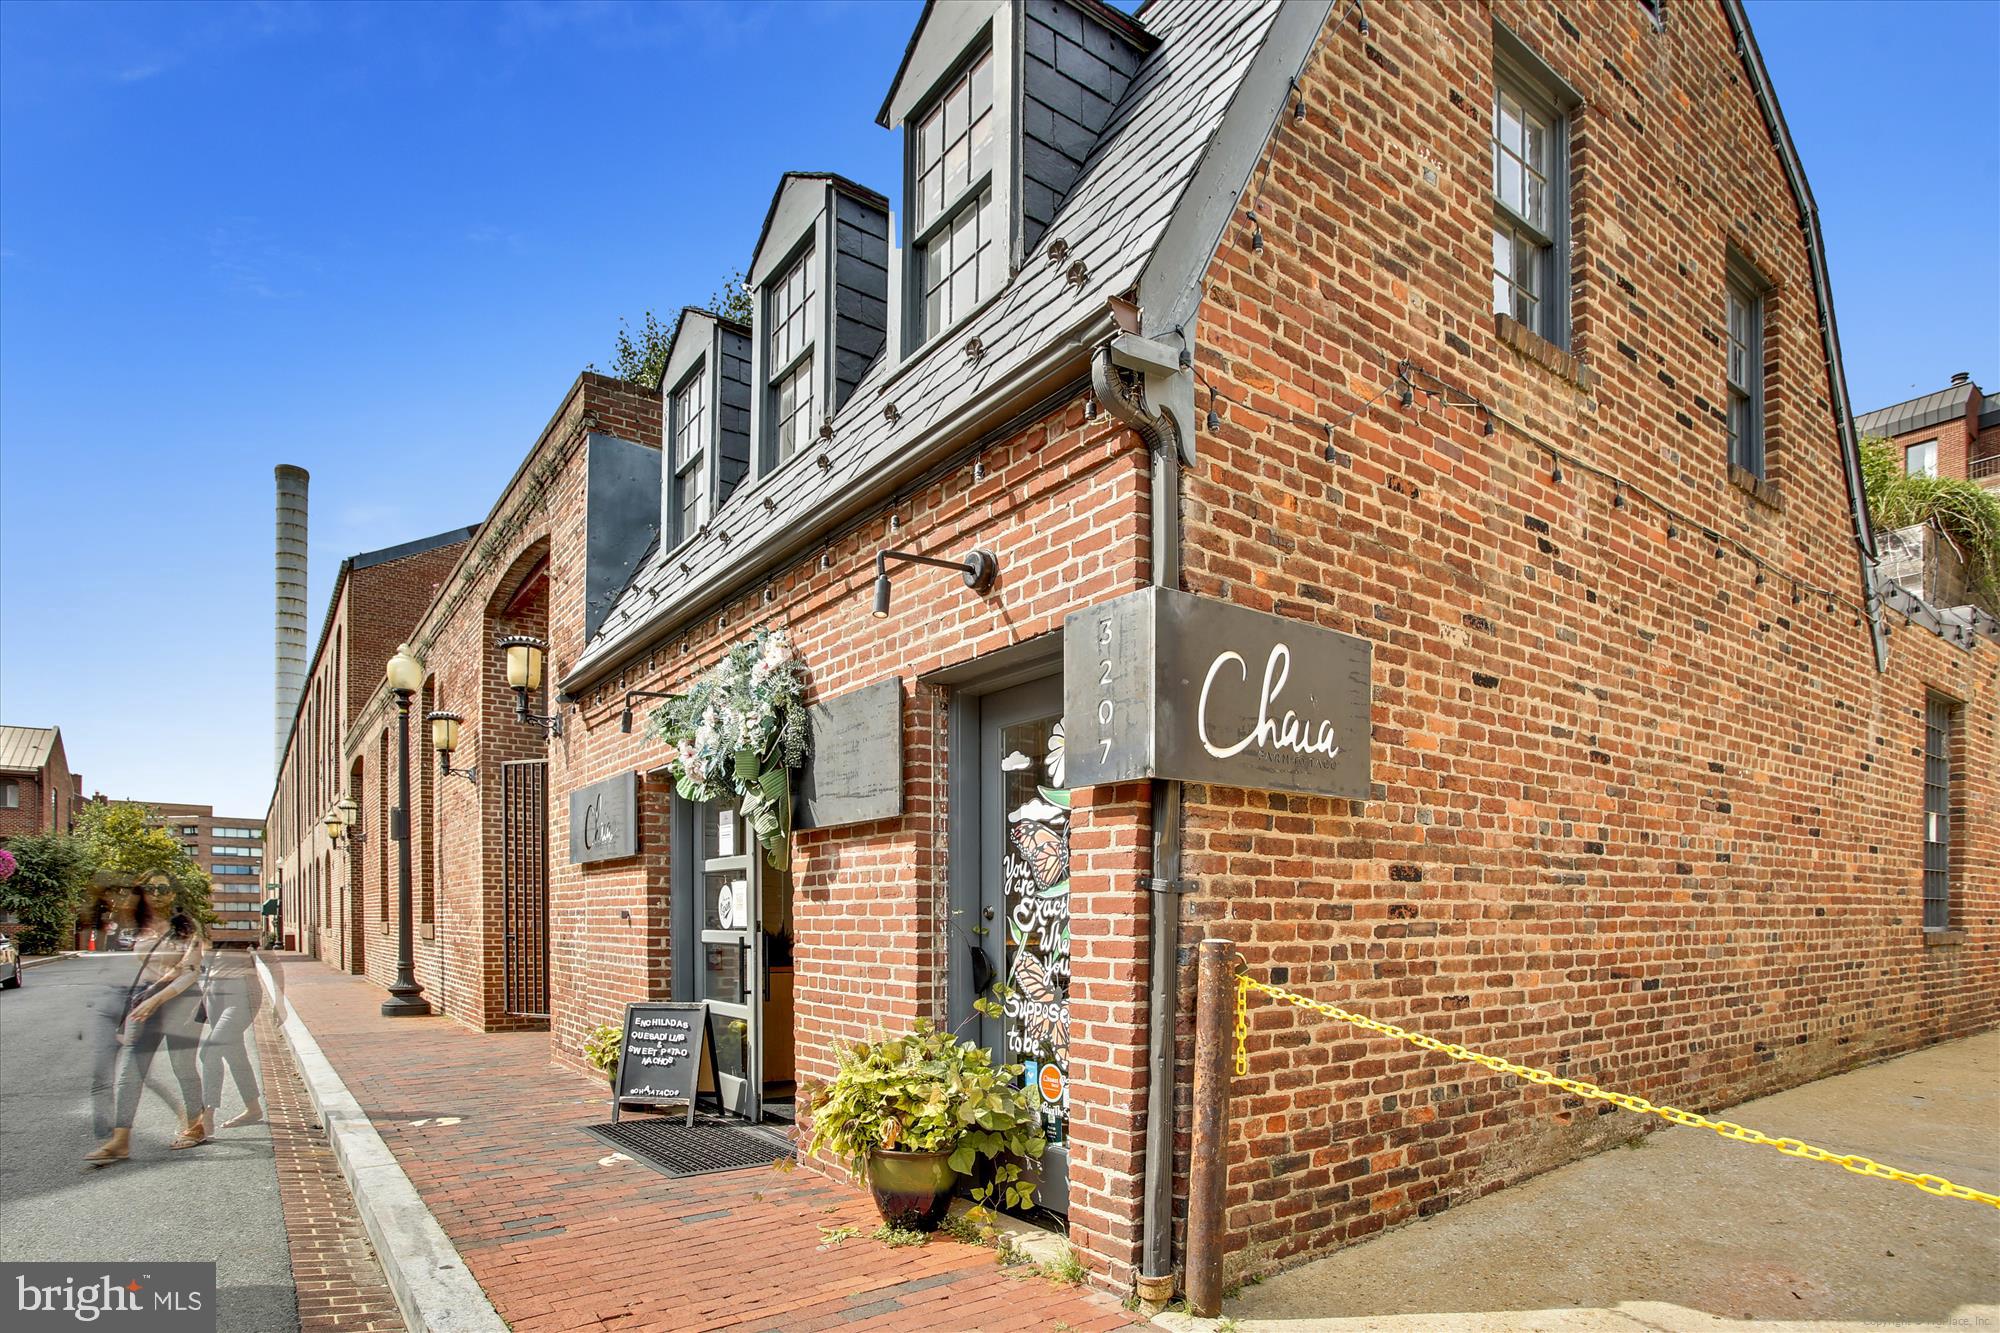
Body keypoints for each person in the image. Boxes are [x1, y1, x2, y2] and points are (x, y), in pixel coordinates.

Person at [85, 881, 208, 1165]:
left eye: (161, 891)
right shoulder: (141, 928)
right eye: (149, 892)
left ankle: (196, 1125)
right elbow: (147, 969)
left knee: (182, 1065)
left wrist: (157, 998)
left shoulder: (188, 927)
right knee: (131, 1067)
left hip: (183, 1000)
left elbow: (188, 972)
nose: (154, 897)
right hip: (146, 999)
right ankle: (120, 1140)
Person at [193, 944, 268, 1133]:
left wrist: (280, 1004)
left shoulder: (235, 933)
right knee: (234, 1053)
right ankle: (253, 1109)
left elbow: (271, 960)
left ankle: (207, 1116)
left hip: (241, 994)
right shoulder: (202, 931)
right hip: (214, 995)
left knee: (210, 1052)